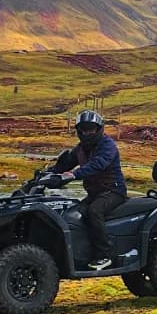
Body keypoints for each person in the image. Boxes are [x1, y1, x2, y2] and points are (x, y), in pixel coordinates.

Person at [53, 109, 127, 270]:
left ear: (98, 129)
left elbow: (98, 164)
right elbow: (67, 163)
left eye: (91, 129)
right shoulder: (80, 149)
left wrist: (74, 174)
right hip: (95, 193)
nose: (87, 133)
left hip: (113, 191)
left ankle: (105, 255)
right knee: (73, 213)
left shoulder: (107, 145)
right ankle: (83, 252)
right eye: (84, 129)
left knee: (94, 212)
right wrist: (50, 173)